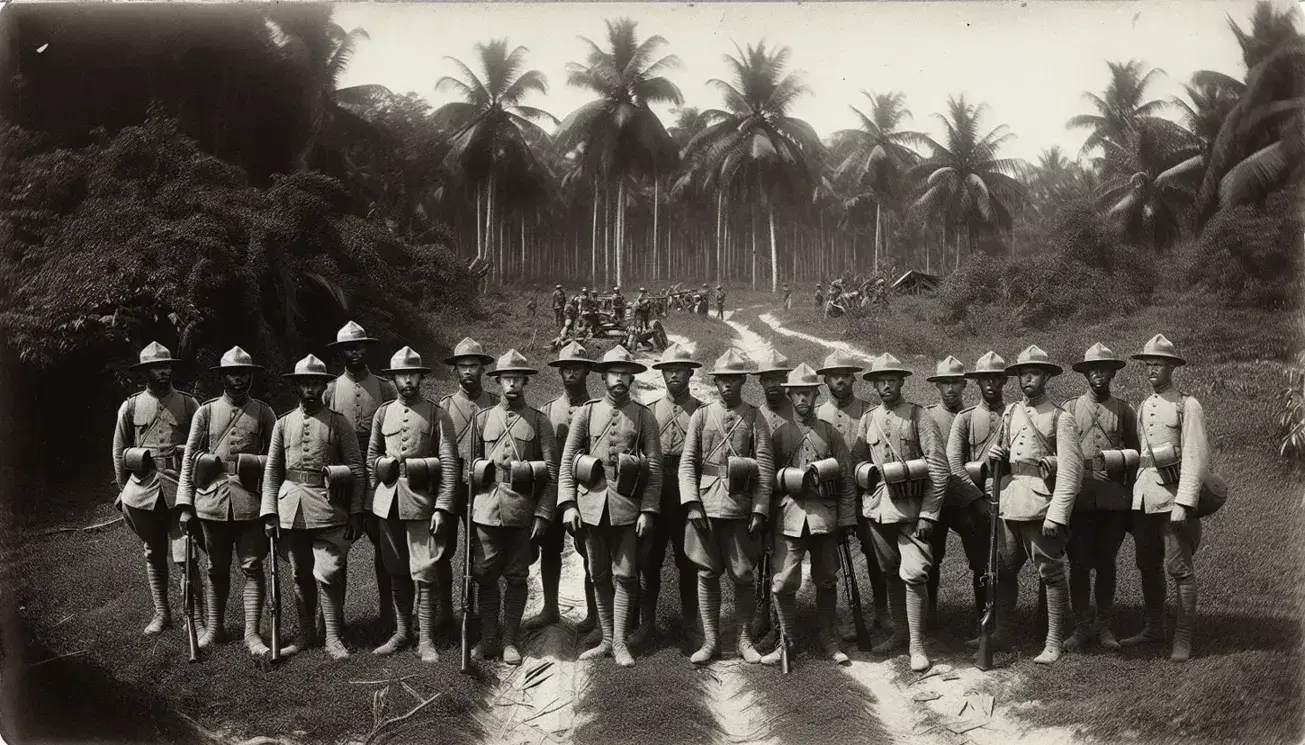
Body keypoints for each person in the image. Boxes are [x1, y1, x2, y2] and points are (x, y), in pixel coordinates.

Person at [557, 345, 663, 668]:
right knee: (598, 573)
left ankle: (619, 643)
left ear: (632, 377)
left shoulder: (644, 416)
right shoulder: (587, 412)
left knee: (626, 575)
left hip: (627, 509)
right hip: (590, 508)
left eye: (625, 373)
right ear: (603, 376)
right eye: (614, 372)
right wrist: (568, 505)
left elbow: (655, 469)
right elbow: (566, 463)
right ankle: (606, 638)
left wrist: (647, 510)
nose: (619, 378)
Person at [260, 354, 367, 659]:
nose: (310, 388)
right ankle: (308, 634)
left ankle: (333, 636)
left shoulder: (339, 422)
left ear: (323, 386)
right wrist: (269, 512)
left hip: (328, 506)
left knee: (330, 572)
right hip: (291, 508)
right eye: (304, 383)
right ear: (297, 387)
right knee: (299, 573)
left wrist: (357, 511)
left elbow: (357, 469)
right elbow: (272, 472)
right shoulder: (283, 424)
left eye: (316, 383)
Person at [176, 346, 278, 655]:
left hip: (249, 502)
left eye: (244, 374)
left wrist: (270, 507)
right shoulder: (205, 411)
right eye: (232, 374)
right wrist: (185, 505)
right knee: (214, 568)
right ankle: (215, 629)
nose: (238, 380)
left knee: (252, 567)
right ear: (222, 377)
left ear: (251, 376)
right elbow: (189, 460)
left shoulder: (263, 411)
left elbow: (275, 462)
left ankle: (252, 634)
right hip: (211, 501)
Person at [986, 345, 1083, 664]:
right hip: (1008, 503)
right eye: (1023, 374)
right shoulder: (1011, 412)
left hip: (1041, 506)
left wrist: (1058, 514)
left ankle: (1054, 640)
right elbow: (999, 453)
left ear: (1046, 377)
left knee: (1051, 572)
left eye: (1035, 373)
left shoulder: (1060, 417)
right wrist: (994, 460)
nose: (1028, 379)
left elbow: (1071, 471)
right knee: (1002, 570)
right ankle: (1002, 633)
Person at [853, 354, 949, 672]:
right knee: (890, 571)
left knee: (915, 572)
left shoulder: (918, 416)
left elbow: (939, 468)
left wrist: (928, 515)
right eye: (881, 381)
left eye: (892, 380)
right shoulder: (868, 420)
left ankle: (917, 645)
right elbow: (856, 461)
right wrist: (865, 472)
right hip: (879, 510)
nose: (886, 386)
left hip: (912, 511)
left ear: (901, 382)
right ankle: (900, 633)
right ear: (875, 385)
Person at [678, 350, 774, 665]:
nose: (727, 385)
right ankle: (711, 641)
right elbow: (687, 464)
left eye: (733, 379)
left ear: (742, 381)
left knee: (744, 574)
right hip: (705, 507)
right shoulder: (701, 416)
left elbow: (765, 468)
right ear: (715, 382)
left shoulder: (755, 416)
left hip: (740, 509)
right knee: (706, 573)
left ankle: (745, 640)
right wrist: (692, 503)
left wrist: (760, 509)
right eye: (722, 380)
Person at [365, 347, 458, 663]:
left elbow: (449, 465)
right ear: (393, 380)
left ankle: (427, 639)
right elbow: (370, 459)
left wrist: (443, 507)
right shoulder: (382, 413)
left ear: (420, 377)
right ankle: (403, 632)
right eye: (401, 375)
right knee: (396, 569)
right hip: (388, 503)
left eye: (412, 374)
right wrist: (376, 490)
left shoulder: (437, 414)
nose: (407, 380)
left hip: (422, 503)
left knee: (424, 569)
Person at [761, 363, 858, 666]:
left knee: (827, 578)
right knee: (783, 579)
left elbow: (846, 479)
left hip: (824, 518)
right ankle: (786, 640)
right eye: (797, 394)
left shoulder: (830, 434)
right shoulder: (779, 435)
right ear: (789, 396)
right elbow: (767, 479)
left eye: (808, 394)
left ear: (817, 395)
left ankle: (828, 638)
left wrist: (846, 520)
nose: (803, 400)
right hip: (788, 517)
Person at [465, 350, 557, 665]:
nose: (512, 385)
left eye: (517, 379)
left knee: (517, 576)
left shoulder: (540, 421)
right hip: (486, 511)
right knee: (485, 574)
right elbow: (470, 470)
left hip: (521, 511)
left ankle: (509, 641)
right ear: (499, 381)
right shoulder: (482, 418)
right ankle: (489, 638)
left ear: (526, 382)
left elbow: (553, 476)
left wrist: (543, 513)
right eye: (507, 379)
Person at [1122, 334, 1209, 662]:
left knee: (1179, 568)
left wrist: (1184, 502)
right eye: (1147, 365)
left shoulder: (1188, 404)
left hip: (1172, 499)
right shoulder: (1144, 404)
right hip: (1145, 499)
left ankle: (1183, 638)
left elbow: (1195, 455)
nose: (1151, 370)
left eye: (1157, 363)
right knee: (1147, 565)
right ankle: (1154, 627)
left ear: (1172, 366)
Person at [112, 341, 203, 637]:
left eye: (166, 366)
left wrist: (195, 488)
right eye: (156, 367)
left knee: (185, 554)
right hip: (143, 488)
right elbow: (119, 450)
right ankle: (162, 614)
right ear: (146, 372)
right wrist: (124, 489)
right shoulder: (131, 405)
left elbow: (203, 447)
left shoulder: (190, 404)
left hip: (179, 488)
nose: (163, 372)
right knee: (152, 552)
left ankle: (197, 617)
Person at [323, 322, 399, 636]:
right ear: (340, 353)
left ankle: (389, 615)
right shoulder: (329, 389)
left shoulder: (384, 387)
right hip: (342, 477)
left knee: (386, 547)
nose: (354, 353)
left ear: (366, 349)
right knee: (335, 549)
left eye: (358, 347)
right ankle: (333, 621)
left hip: (380, 476)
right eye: (348, 348)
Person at [1062, 343, 1139, 652]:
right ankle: (1081, 627)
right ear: (1085, 374)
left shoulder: (1124, 410)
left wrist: (1130, 496)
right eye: (1092, 368)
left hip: (1113, 498)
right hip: (1078, 498)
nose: (1098, 374)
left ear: (1112, 374)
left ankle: (1104, 625)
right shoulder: (1068, 408)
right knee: (1078, 564)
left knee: (1107, 562)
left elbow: (1137, 455)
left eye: (1103, 369)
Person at [630, 343, 703, 649]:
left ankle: (691, 624)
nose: (674, 374)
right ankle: (646, 624)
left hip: (688, 489)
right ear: (661, 374)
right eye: (668, 370)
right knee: (648, 558)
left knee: (689, 559)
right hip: (655, 490)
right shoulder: (649, 413)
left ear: (689, 373)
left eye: (680, 370)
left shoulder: (702, 411)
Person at [816, 349, 891, 634]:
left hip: (866, 494)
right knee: (829, 559)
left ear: (854, 379)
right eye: (834, 376)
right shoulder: (816, 414)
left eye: (846, 375)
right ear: (825, 381)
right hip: (829, 496)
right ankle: (840, 615)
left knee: (876, 553)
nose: (841, 381)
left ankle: (882, 610)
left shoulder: (869, 412)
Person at [526, 342, 598, 636]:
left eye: (577, 367)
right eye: (566, 367)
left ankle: (594, 614)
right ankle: (550, 608)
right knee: (550, 548)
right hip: (552, 490)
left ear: (587, 371)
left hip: (588, 491)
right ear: (559, 371)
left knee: (591, 552)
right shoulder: (546, 412)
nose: (571, 372)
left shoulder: (597, 410)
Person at [438, 338, 499, 637]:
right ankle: (445, 613)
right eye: (462, 366)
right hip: (453, 487)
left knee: (482, 553)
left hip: (486, 489)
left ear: (483, 369)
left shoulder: (497, 403)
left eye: (473, 365)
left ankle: (477, 612)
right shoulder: (445, 406)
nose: (468, 371)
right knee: (443, 550)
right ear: (455, 371)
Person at [946, 352, 1006, 645]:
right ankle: (982, 622)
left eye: (996, 378)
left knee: (1007, 563)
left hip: (1009, 500)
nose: (991, 384)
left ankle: (1005, 624)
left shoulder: (1015, 414)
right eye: (985, 379)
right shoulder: (965, 418)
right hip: (975, 505)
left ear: (1005, 380)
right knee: (981, 565)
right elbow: (954, 465)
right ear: (977, 382)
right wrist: (977, 500)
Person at [921, 356, 981, 629]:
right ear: (937, 386)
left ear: (964, 384)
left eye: (955, 382)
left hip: (965, 498)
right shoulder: (927, 416)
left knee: (980, 557)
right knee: (930, 557)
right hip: (934, 499)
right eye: (945, 383)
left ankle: (984, 618)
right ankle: (928, 616)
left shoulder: (973, 417)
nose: (950, 389)